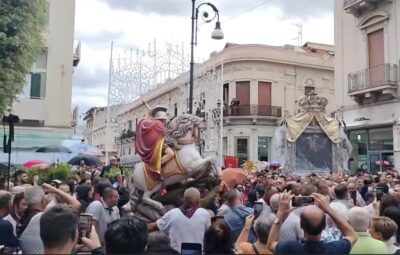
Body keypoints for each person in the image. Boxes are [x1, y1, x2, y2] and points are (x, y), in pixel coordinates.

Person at [267, 192, 357, 254]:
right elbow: (352, 235)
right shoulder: (335, 249)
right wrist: (329, 209)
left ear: (301, 225)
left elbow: (270, 244)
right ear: (324, 226)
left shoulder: (290, 248)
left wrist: (280, 214)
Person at [148, 187, 211, 253]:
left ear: (183, 199)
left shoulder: (172, 214)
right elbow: (209, 233)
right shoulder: (205, 214)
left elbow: (151, 227)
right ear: (198, 200)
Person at [135, 106, 174, 180]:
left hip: (161, 143)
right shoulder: (158, 124)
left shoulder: (157, 124)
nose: (165, 122)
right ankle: (157, 166)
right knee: (171, 154)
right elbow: (164, 134)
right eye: (164, 120)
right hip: (159, 145)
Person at [18, 186, 47, 254]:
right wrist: (55, 190)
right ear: (43, 200)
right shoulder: (40, 218)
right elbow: (76, 205)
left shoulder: (24, 217)